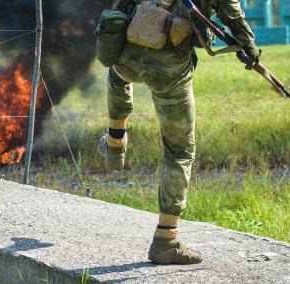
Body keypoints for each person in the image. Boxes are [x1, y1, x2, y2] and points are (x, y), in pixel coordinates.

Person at [98, 0, 261, 265]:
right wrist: (250, 49)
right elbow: (234, 18)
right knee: (180, 151)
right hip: (169, 70)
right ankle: (166, 241)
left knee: (117, 72)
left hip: (126, 55)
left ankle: (116, 140)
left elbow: (121, 6)